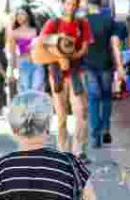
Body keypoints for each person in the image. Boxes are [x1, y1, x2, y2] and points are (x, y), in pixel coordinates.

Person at [40, 0, 92, 161]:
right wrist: (59, 56)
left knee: (81, 111)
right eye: (68, 3)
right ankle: (63, 151)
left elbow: (84, 48)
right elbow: (42, 43)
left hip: (77, 72)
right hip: (57, 73)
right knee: (61, 114)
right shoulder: (53, 23)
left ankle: (79, 150)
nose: (71, 7)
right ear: (63, 4)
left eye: (73, 4)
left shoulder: (82, 24)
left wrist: (71, 56)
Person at [82, 0, 124, 149]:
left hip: (89, 64)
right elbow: (115, 44)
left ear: (88, 4)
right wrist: (120, 66)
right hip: (106, 64)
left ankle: (94, 136)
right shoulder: (109, 20)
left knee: (93, 98)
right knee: (106, 97)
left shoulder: (83, 21)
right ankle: (106, 128)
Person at [5, 7, 45, 93]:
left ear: (28, 15)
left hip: (37, 62)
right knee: (25, 91)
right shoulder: (14, 33)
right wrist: (11, 72)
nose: (19, 16)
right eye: (17, 14)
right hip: (23, 63)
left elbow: (43, 46)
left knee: (37, 89)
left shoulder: (36, 30)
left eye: (22, 14)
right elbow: (12, 54)